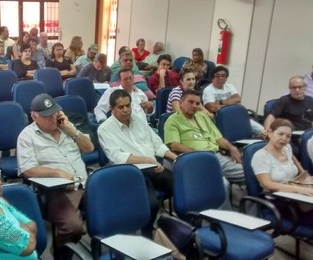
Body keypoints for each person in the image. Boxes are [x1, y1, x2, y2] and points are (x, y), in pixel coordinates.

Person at [17, 93, 94, 255]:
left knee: (114, 208)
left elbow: (89, 149)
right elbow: (27, 170)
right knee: (73, 227)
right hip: (58, 190)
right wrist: (58, 173)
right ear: (34, 116)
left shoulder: (66, 127)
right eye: (47, 116)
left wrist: (72, 131)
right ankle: (61, 254)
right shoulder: (26, 136)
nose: (52, 119)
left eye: (54, 114)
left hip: (86, 183)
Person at [97, 89, 177, 237]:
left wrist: (175, 158)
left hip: (154, 168)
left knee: (180, 187)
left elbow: (157, 144)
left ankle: (176, 231)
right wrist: (148, 160)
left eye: (128, 105)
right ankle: (147, 234)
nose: (126, 110)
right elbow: (116, 157)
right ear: (112, 109)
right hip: (131, 173)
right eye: (121, 107)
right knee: (151, 204)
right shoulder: (105, 129)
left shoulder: (139, 120)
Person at [164, 90, 245, 185]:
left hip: (216, 156)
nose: (194, 105)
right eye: (190, 102)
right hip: (195, 160)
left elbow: (218, 138)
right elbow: (174, 145)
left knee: (248, 174)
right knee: (222, 184)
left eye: (197, 103)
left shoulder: (202, 117)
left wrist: (232, 148)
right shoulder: (173, 120)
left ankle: (257, 197)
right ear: (181, 103)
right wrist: (199, 154)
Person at [252, 118, 313, 226]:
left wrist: (306, 177)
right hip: (280, 201)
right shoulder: (260, 156)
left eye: (288, 136)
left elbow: (295, 163)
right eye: (280, 134)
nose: (284, 139)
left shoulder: (287, 148)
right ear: (270, 133)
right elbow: (267, 184)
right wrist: (300, 189)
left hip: (296, 195)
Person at [202, 66, 264, 136]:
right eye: (217, 76)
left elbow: (237, 99)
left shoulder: (230, 86)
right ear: (212, 78)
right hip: (223, 119)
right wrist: (231, 103)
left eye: (223, 76)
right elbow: (212, 107)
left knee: (263, 131)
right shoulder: (208, 90)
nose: (221, 78)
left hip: (238, 116)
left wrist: (220, 102)